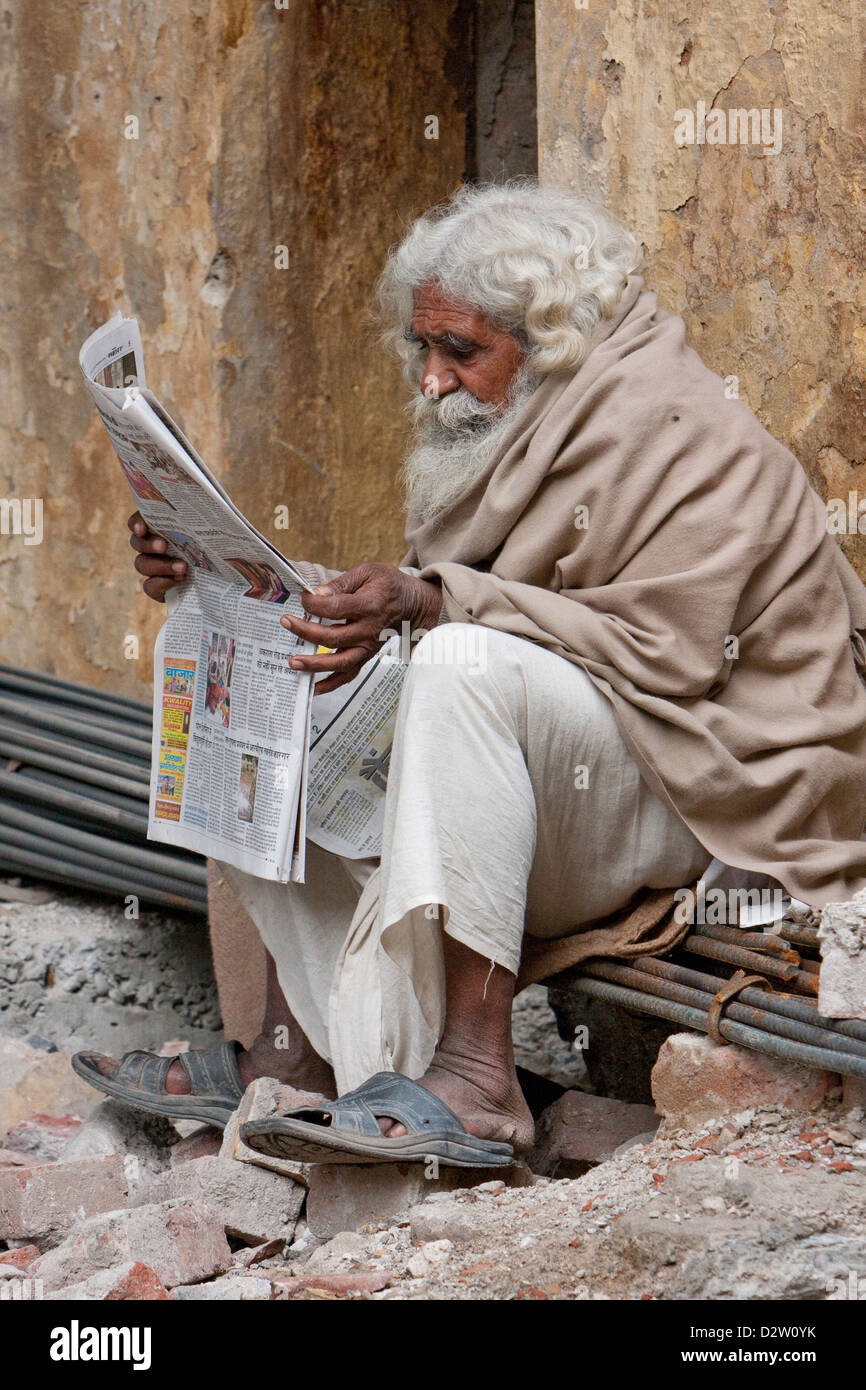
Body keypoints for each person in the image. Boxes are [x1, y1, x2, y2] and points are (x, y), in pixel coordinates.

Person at [74, 182, 866, 1167]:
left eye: (463, 353)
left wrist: (432, 604)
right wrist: (221, 576)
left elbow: (667, 657)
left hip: (709, 791)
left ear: (554, 345)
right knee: (262, 646)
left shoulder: (682, 436)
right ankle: (295, 1052)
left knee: (455, 659)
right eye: (423, 350)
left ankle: (478, 1080)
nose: (432, 383)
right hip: (561, 761)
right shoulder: (509, 435)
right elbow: (466, 608)